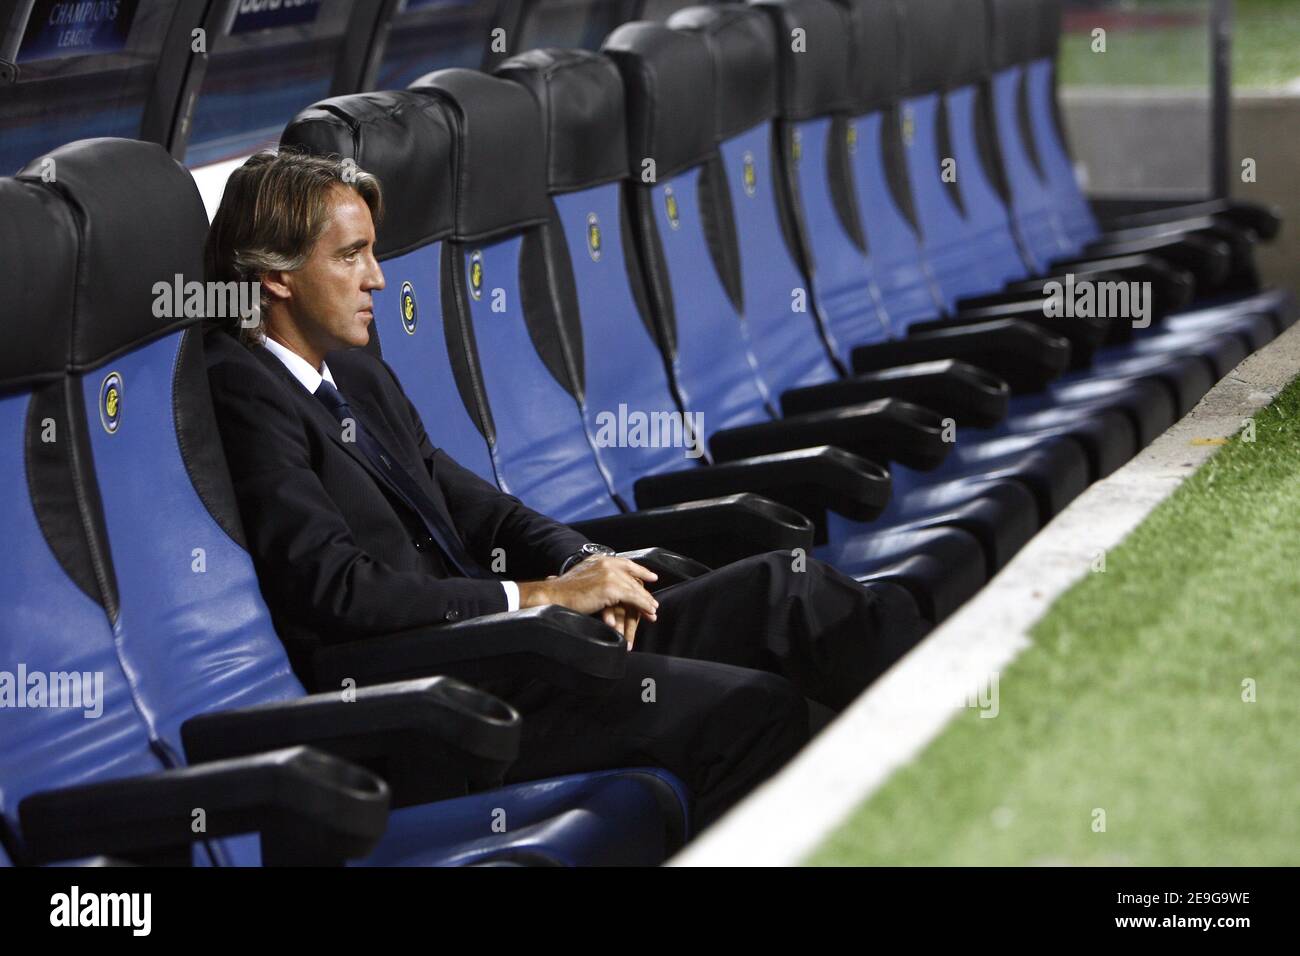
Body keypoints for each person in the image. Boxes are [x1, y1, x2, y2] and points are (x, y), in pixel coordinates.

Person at [203, 149, 916, 828]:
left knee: (782, 593)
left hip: (523, 649)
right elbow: (340, 590)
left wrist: (586, 567)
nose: (378, 278)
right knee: (750, 708)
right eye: (351, 255)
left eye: (373, 252)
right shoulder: (245, 392)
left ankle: (956, 729)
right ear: (277, 276)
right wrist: (541, 596)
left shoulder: (358, 375)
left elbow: (481, 509)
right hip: (443, 706)